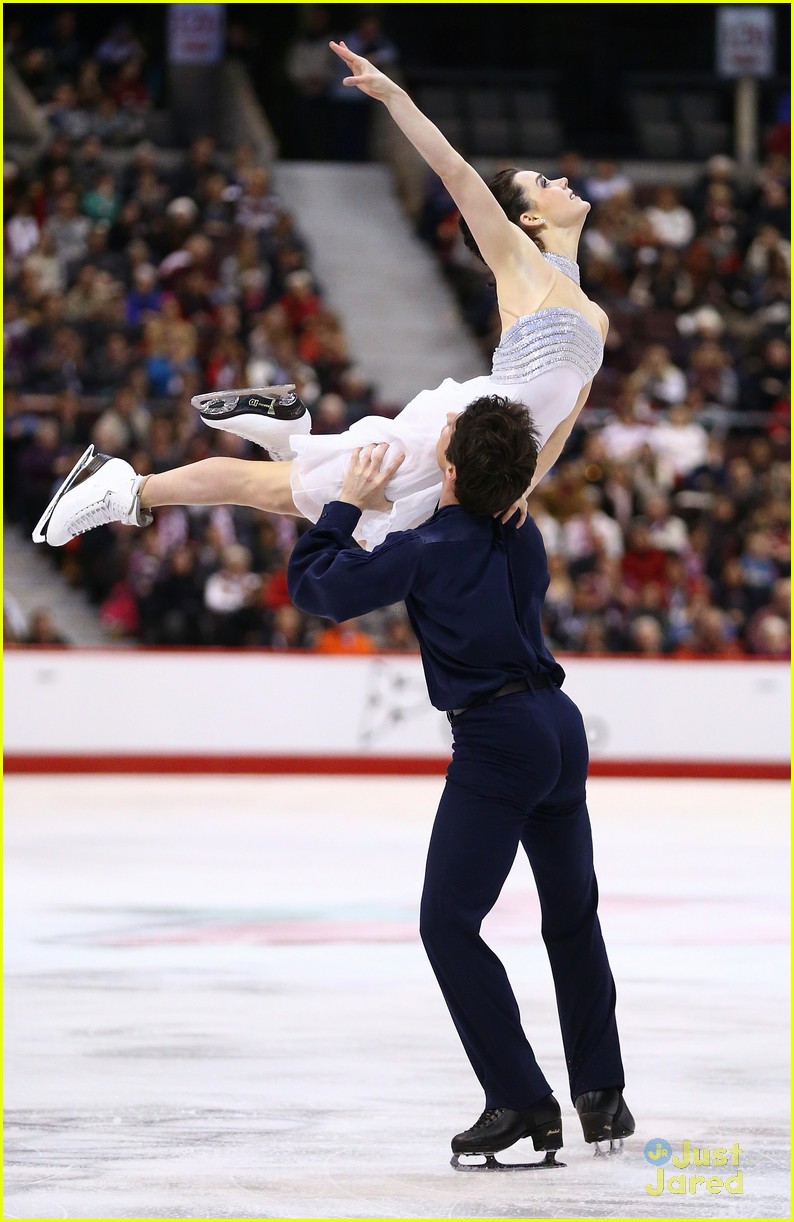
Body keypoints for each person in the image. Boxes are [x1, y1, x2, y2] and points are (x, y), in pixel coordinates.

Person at [34, 39, 607, 552]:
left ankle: (286, 434)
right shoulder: (520, 263)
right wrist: (393, 98)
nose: (558, 180)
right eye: (543, 182)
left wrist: (522, 486)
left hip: (485, 457)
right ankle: (123, 488)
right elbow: (457, 174)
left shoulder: (597, 318)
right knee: (277, 493)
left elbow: (562, 422)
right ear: (527, 219)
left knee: (309, 505)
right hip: (451, 436)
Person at [287, 394, 634, 1169]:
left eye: (446, 429)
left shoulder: (426, 545)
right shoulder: (525, 534)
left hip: (499, 741)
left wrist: (344, 504)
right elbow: (493, 506)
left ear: (447, 463)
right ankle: (602, 1093)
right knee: (571, 915)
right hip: (559, 728)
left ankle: (521, 1098)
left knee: (447, 924)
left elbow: (315, 587)